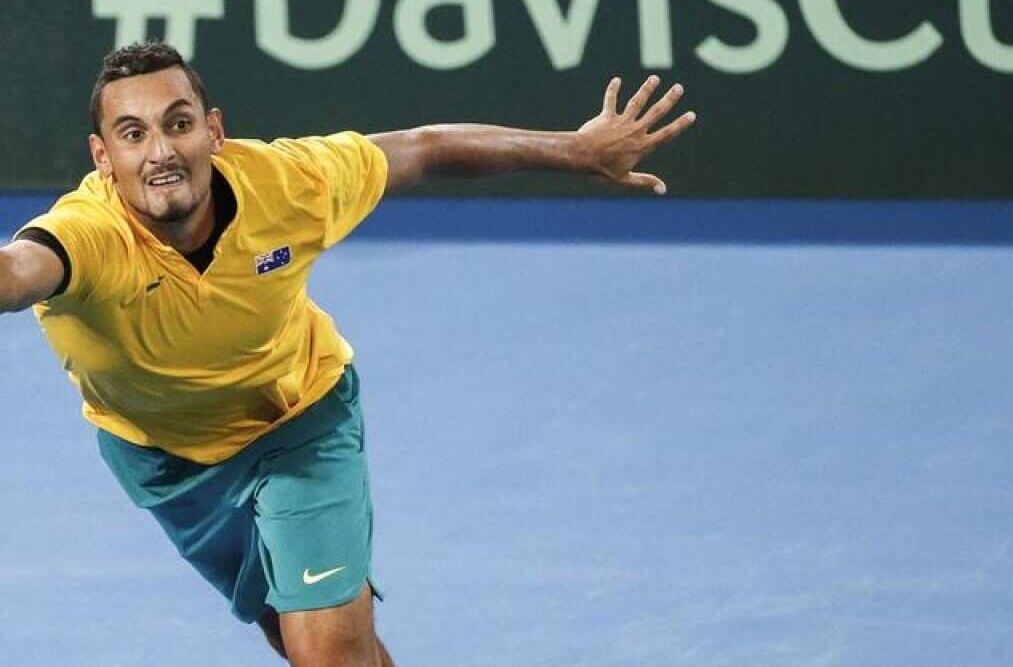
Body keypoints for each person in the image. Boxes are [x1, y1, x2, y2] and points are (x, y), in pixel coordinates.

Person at [0, 41, 695, 666]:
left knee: (325, 651)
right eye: (133, 134)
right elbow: (16, 273)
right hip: (165, 462)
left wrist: (574, 151)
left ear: (214, 131)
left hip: (299, 421)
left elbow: (423, 148)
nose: (160, 152)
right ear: (103, 157)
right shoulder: (87, 235)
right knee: (302, 637)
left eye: (179, 123)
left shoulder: (289, 184)